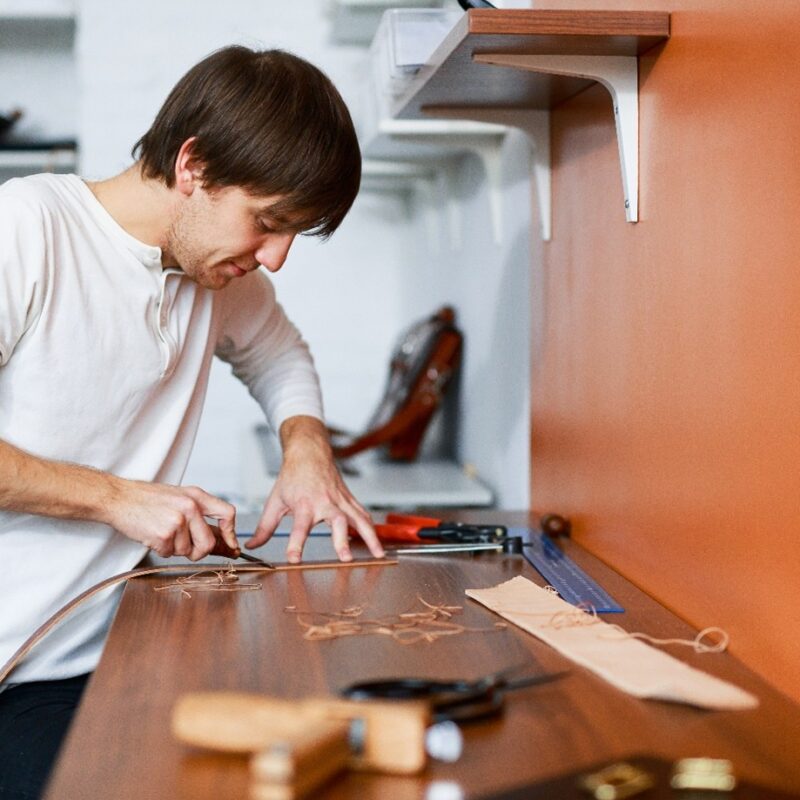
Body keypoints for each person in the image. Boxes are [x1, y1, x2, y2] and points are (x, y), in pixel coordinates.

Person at [0, 45, 384, 799]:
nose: (275, 259)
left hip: (100, 657)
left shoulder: (214, 271)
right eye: (268, 223)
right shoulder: (27, 231)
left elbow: (280, 356)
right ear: (193, 166)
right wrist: (120, 498)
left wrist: (306, 449)